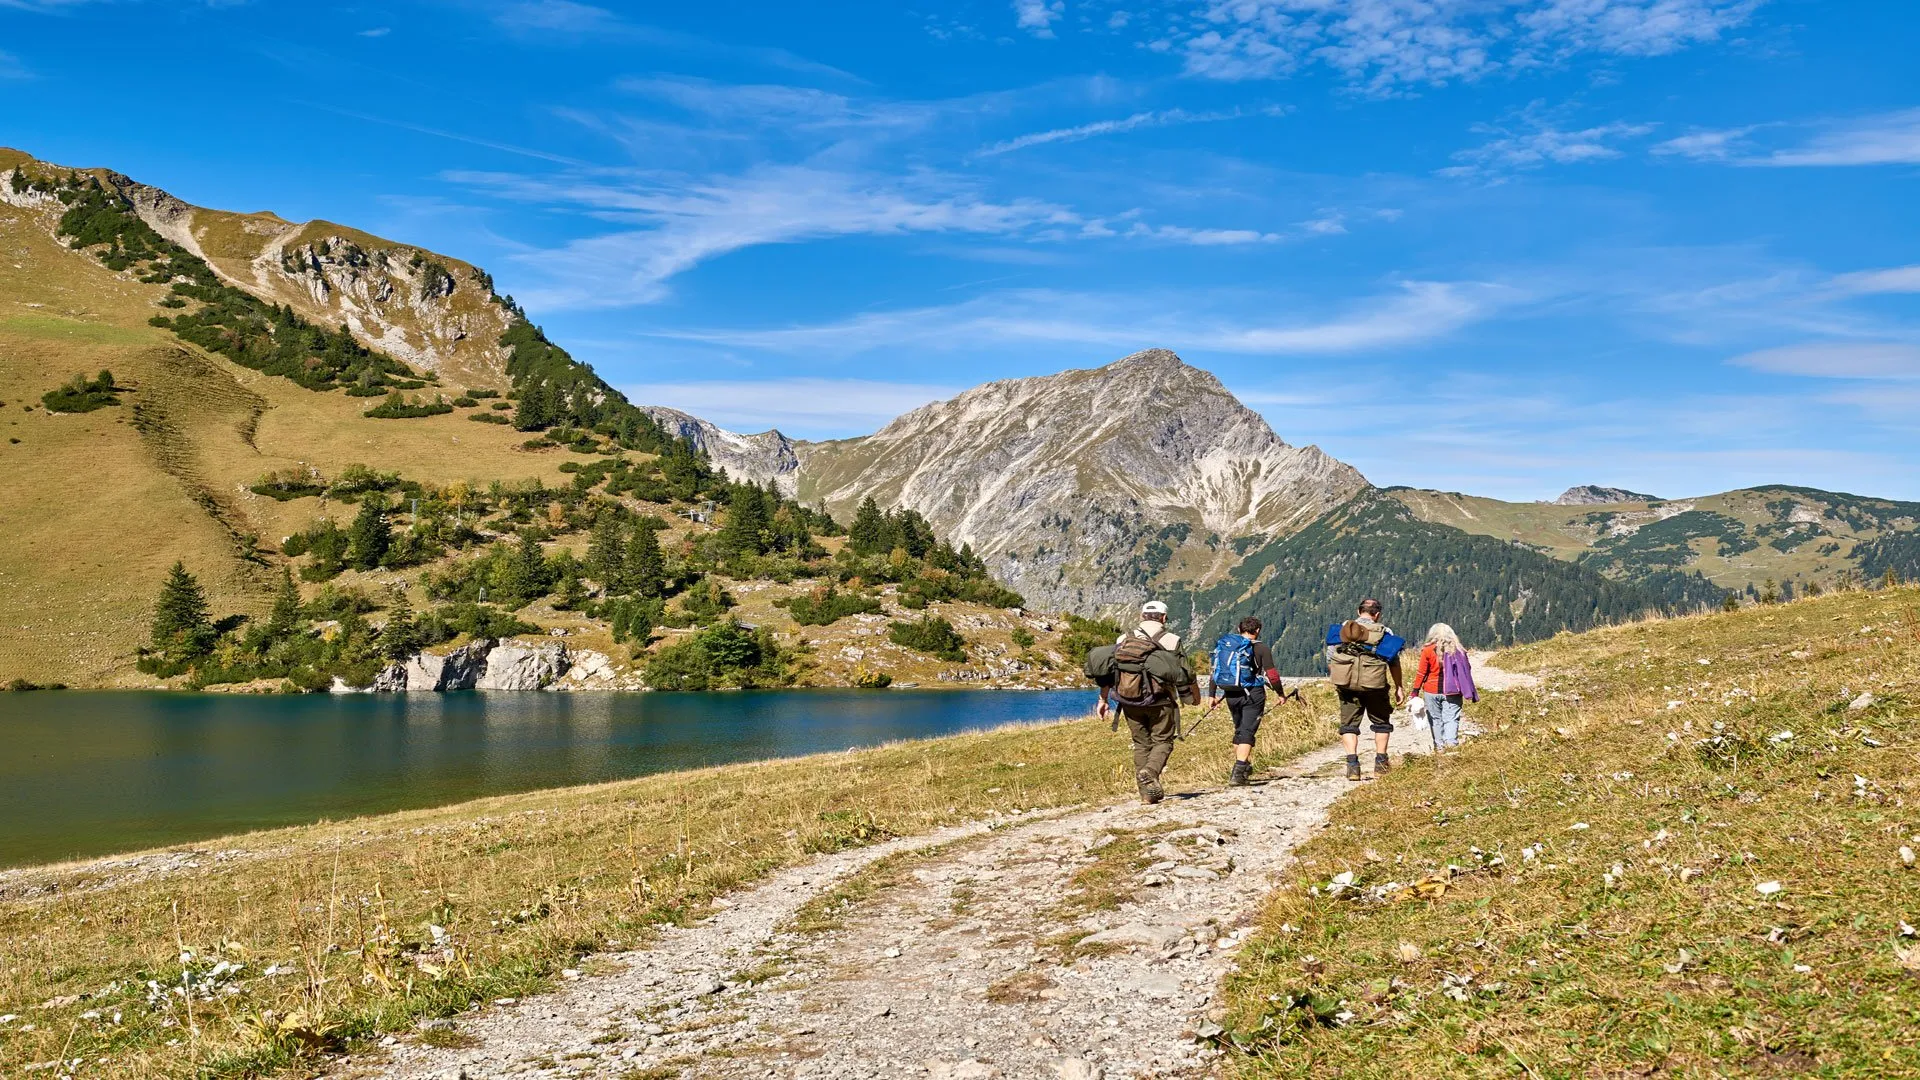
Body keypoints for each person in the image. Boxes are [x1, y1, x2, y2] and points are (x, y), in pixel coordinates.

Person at [1095, 600, 1197, 804]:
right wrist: (1190, 698)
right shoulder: (1172, 640)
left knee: (1141, 744)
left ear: (1142, 616)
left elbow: (1110, 671)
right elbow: (1183, 673)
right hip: (1161, 701)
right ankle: (1151, 771)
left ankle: (1146, 796)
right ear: (1164, 618)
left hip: (1129, 702)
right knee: (1163, 741)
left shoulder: (1123, 639)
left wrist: (1103, 699)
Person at [1325, 598, 1405, 782]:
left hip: (1347, 684)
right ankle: (1381, 764)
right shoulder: (1384, 633)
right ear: (1377, 614)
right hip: (1375, 684)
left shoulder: (1344, 630)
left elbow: (1330, 658)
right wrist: (1399, 686)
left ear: (1358, 611)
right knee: (1381, 722)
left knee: (1348, 725)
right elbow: (1393, 662)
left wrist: (1341, 677)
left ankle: (1353, 766)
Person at [1208, 616, 1283, 786]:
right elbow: (1272, 674)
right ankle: (1238, 772)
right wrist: (1280, 693)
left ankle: (1244, 768)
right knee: (1247, 732)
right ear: (1258, 630)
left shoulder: (1227, 646)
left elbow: (1216, 671)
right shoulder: (1261, 648)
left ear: (1239, 629)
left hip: (1231, 693)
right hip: (1253, 694)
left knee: (1240, 731)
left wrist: (1212, 695)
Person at [1410, 623, 1477, 754]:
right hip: (1453, 691)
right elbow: (1466, 669)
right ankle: (1451, 746)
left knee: (1435, 719)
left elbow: (1422, 672)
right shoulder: (1457, 649)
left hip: (1431, 690)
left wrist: (1415, 690)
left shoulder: (1428, 650)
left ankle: (1439, 748)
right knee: (1451, 718)